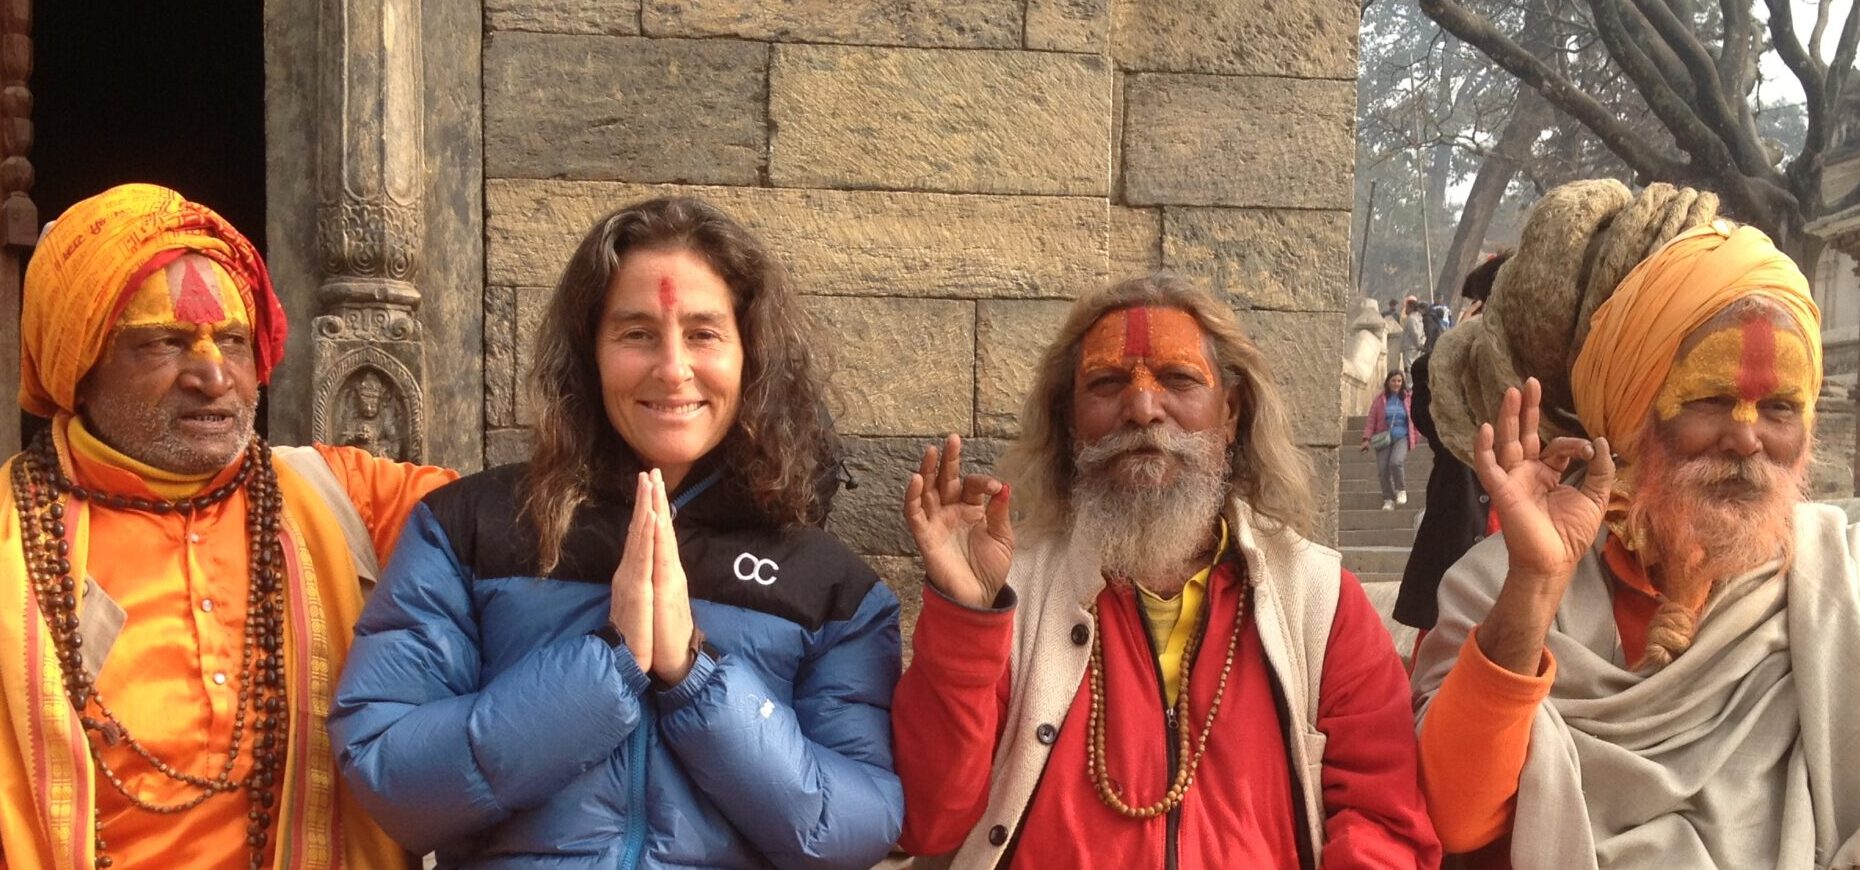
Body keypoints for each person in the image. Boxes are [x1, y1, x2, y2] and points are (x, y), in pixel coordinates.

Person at [330, 197, 904, 868]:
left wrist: (693, 676)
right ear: (590, 352)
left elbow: (857, 825)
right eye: (637, 333)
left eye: (703, 334)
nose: (672, 368)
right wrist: (606, 665)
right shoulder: (470, 530)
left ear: (750, 354)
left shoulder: (829, 586)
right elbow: (389, 773)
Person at [891, 273, 1439, 868]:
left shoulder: (1318, 599)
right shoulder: (1013, 594)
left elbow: (1385, 823)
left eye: (1179, 379)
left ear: (1231, 412)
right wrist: (968, 619)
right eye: (1106, 384)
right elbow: (930, 822)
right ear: (1070, 421)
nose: (1143, 408)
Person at [0, 183, 456, 869]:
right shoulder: (14, 543)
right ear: (81, 369)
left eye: (234, 342)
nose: (213, 376)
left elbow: (537, 517)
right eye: (165, 343)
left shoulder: (341, 496)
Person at [1412, 219, 1860, 868]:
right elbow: (1455, 819)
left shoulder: (1840, 581)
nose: (1747, 438)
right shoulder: (1496, 585)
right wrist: (1535, 584)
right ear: (1633, 416)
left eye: (1781, 408)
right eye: (1710, 399)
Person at [1394, 252, 1510, 648]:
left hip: (1522, 545)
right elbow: (1432, 417)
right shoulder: (1446, 373)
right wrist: (1459, 343)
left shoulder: (1553, 371)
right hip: (1460, 539)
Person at [1361, 371, 1418, 511]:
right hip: (1383, 438)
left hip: (1402, 437)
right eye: (1393, 380)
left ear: (1402, 383)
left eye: (1399, 381)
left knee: (1396, 462)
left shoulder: (1408, 398)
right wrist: (1366, 439)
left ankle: (1401, 489)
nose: (1396, 384)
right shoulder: (1380, 399)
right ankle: (1388, 498)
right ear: (1388, 382)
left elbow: (1416, 418)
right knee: (1382, 470)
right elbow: (1371, 419)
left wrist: (1415, 437)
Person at [1400, 296, 1428, 375]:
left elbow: (1414, 333)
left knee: (1409, 370)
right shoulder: (1419, 318)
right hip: (1417, 348)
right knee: (1415, 370)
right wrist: (1421, 344)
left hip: (1410, 348)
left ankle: (1410, 383)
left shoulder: (1411, 319)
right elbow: (1423, 334)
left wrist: (1418, 345)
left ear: (1411, 307)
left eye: (1407, 307)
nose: (1405, 309)